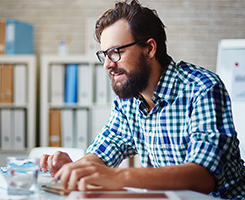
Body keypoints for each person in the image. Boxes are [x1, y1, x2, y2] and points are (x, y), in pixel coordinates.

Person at [40, 0, 245, 199]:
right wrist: (76, 169)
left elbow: (203, 177)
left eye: (115, 52)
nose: (107, 65)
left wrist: (119, 177)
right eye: (105, 55)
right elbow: (105, 150)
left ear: (149, 48)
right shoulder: (129, 98)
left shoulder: (203, 88)